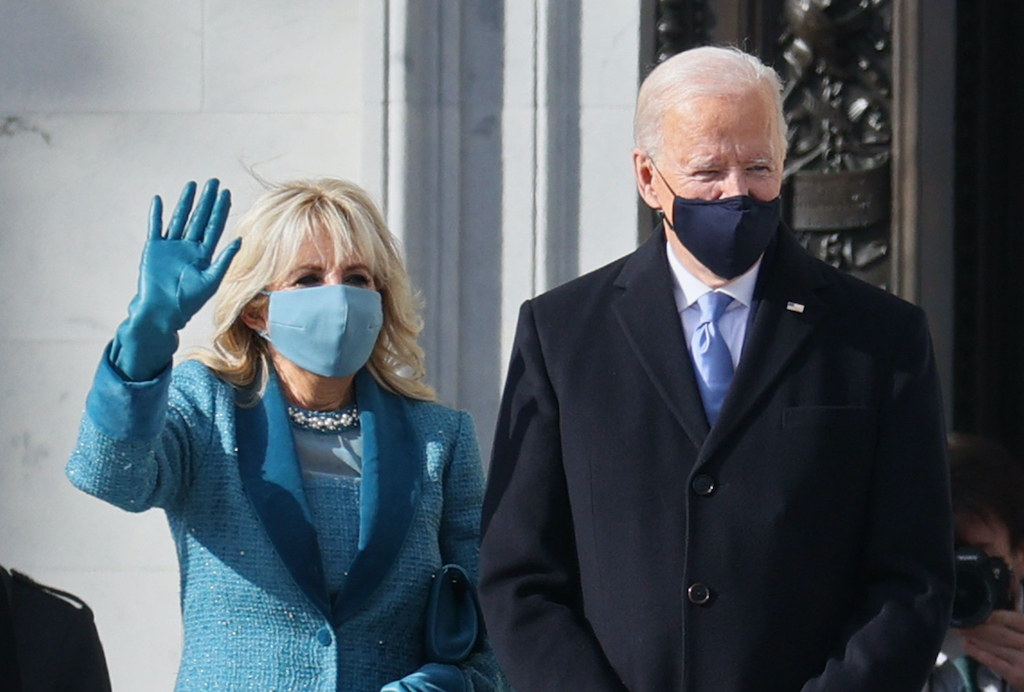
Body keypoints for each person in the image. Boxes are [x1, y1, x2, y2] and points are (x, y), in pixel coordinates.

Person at [479, 45, 953, 692]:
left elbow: (912, 576)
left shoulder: (878, 338)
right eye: (707, 171)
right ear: (649, 178)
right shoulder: (562, 335)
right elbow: (519, 575)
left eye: (758, 167)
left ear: (784, 165)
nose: (737, 193)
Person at [67, 177, 508, 692]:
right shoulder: (207, 408)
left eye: (358, 278)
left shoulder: (440, 437)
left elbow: (497, 613)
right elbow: (109, 474)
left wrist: (445, 686)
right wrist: (146, 335)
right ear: (258, 310)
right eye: (307, 279)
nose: (337, 296)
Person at [927, 433, 1024, 692]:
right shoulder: (879, 645)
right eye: (946, 559)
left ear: (1020, 553)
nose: (959, 583)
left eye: (978, 560)